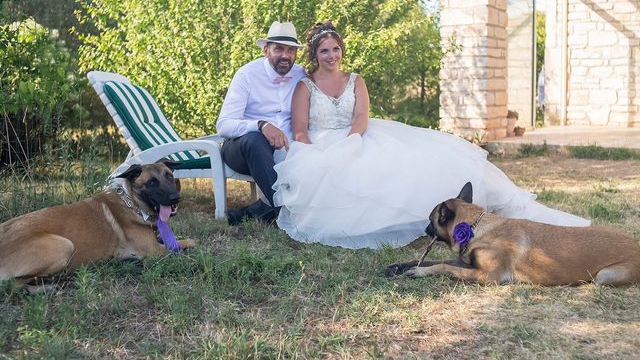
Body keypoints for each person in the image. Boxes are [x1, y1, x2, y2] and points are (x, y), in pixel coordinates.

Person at [272, 22, 590, 249]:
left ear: (342, 50)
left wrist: (352, 142)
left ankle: (486, 208)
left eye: (336, 49)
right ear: (315, 55)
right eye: (325, 51)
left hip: (359, 136)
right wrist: (319, 156)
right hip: (320, 142)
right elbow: (300, 128)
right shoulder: (305, 85)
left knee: (417, 162)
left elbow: (361, 117)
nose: (332, 55)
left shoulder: (355, 80)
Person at [216, 21, 306, 225]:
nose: (285, 55)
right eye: (279, 49)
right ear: (266, 50)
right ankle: (290, 215)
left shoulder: (301, 75)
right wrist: (261, 125)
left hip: (287, 149)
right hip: (244, 150)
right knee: (255, 140)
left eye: (291, 50)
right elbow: (223, 125)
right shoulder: (246, 75)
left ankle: (254, 213)